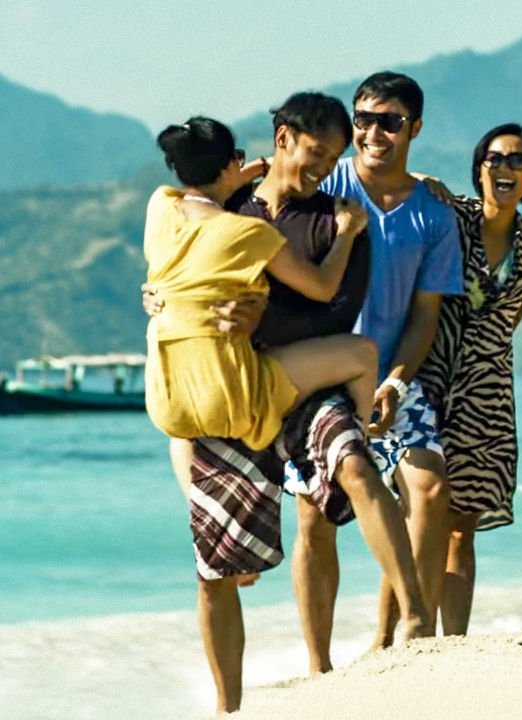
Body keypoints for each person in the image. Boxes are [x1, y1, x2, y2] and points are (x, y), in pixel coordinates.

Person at [145, 94, 431, 715]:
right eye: (315, 153)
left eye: (332, 158)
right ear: (282, 140)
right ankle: (228, 707)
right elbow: (178, 277)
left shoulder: (337, 218)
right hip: (232, 386)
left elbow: (336, 308)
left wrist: (258, 316)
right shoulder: (232, 208)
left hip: (304, 383)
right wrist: (165, 300)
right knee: (216, 570)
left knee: (354, 463)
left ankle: (415, 616)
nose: (323, 168)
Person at [304, 71, 465, 644]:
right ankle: (319, 667)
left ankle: (403, 639)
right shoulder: (323, 186)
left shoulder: (434, 215)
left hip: (393, 378)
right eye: (364, 120)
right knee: (315, 519)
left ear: (414, 128)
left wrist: (395, 384)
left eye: (390, 122)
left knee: (430, 489)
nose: (374, 133)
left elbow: (425, 315)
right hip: (316, 374)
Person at [397, 123, 522, 636]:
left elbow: (514, 312)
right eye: (494, 158)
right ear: (479, 169)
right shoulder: (451, 217)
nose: (505, 168)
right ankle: (399, 635)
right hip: (432, 379)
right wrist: (424, 177)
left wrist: (486, 356)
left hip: (487, 394)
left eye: (518, 160)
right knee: (419, 518)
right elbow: (400, 184)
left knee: (463, 526)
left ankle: (454, 643)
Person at [144, 117, 379, 450]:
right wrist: (346, 232)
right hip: (230, 399)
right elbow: (323, 287)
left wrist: (255, 167)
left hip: (166, 399)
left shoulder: (160, 206)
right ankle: (361, 446)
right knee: (363, 353)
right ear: (229, 165)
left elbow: (206, 192)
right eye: (238, 159)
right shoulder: (248, 232)